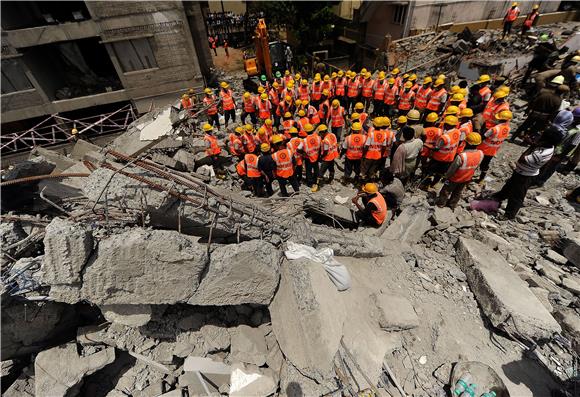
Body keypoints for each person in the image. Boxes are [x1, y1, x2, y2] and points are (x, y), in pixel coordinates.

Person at [491, 128, 560, 219]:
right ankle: (499, 197)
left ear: (545, 140)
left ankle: (509, 214)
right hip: (522, 172)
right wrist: (534, 144)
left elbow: (522, 159)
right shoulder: (547, 146)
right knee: (510, 184)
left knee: (517, 195)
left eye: (542, 136)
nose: (539, 136)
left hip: (526, 175)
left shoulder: (542, 153)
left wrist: (532, 146)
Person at [436, 133, 484, 209]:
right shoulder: (480, 154)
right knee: (457, 192)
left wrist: (446, 177)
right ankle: (452, 205)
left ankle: (441, 204)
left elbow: (452, 169)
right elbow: (476, 166)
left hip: (454, 178)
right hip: (466, 178)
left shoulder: (462, 156)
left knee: (445, 191)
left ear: (467, 143)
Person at [535, 109, 578, 186]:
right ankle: (536, 178)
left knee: (551, 168)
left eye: (575, 117)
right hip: (555, 149)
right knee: (545, 165)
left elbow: (573, 145)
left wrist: (561, 156)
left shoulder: (578, 131)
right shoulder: (569, 124)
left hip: (561, 153)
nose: (573, 118)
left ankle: (540, 182)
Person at [424, 115, 461, 188]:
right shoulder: (457, 132)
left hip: (439, 158)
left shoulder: (444, 137)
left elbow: (436, 148)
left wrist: (425, 144)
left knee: (430, 171)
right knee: (440, 173)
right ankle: (433, 184)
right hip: (450, 158)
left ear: (446, 125)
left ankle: (426, 185)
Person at [477, 110, 513, 183]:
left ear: (500, 119)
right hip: (493, 151)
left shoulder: (494, 129)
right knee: (485, 165)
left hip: (483, 149)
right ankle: (481, 179)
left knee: (477, 162)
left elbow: (484, 136)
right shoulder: (508, 128)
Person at [299, 123, 322, 192]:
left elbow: (298, 149)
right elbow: (321, 146)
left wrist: (303, 153)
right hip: (316, 156)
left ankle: (309, 183)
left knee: (308, 170)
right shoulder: (318, 137)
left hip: (308, 157)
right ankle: (316, 181)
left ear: (305, 131)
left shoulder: (304, 140)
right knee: (316, 168)